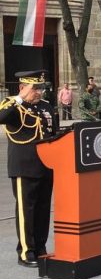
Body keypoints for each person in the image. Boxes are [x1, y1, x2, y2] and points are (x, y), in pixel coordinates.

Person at [0, 70, 56, 267]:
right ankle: (26, 251)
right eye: (35, 89)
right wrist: (20, 99)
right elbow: (1, 116)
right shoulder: (13, 107)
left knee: (43, 209)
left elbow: (54, 134)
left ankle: (40, 247)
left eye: (41, 88)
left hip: (46, 166)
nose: (39, 92)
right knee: (27, 210)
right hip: (24, 167)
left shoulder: (46, 107)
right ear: (22, 88)